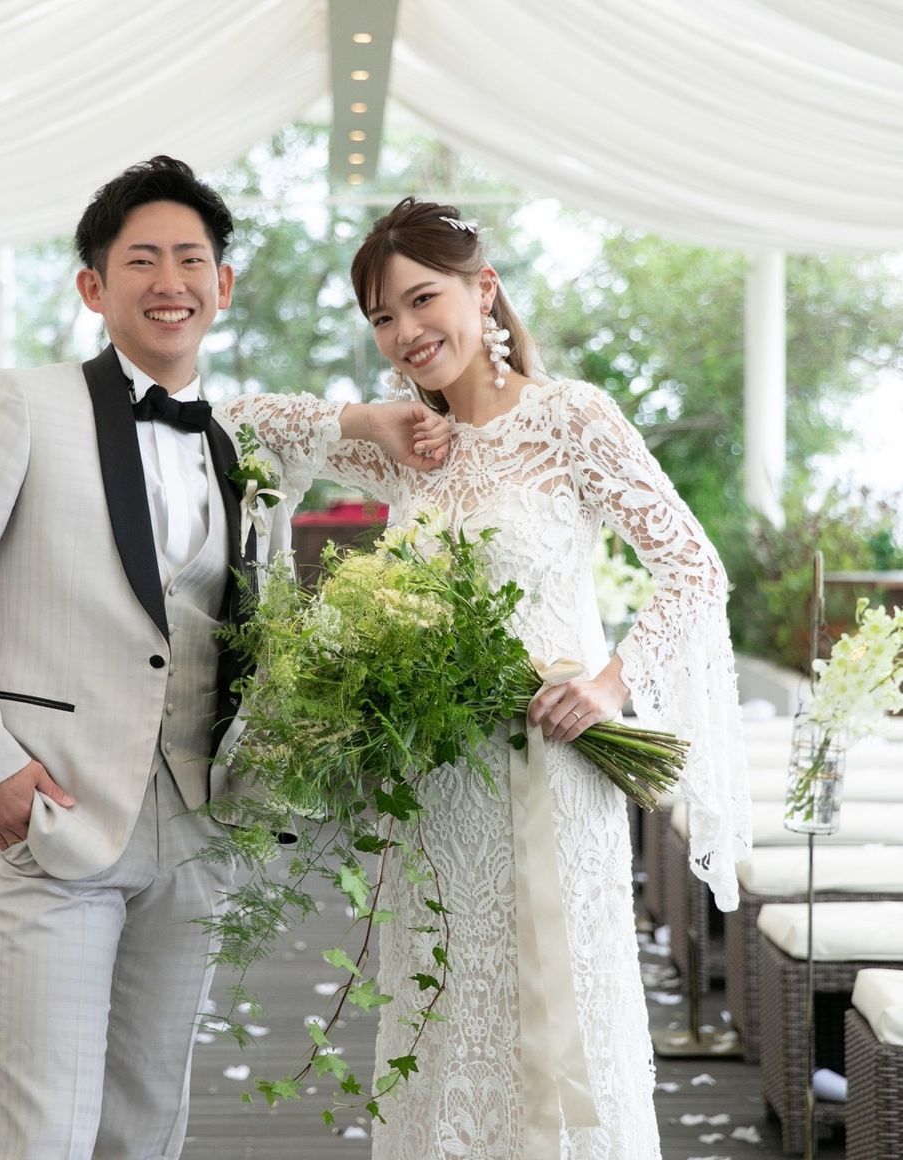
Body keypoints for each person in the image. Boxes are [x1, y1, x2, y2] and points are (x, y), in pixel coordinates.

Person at [0, 159, 451, 1160]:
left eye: (191, 259)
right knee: (41, 1124)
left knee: (148, 1119)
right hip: (53, 813)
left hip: (196, 824)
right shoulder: (21, 403)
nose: (169, 280)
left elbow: (256, 620)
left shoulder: (239, 442)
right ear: (92, 286)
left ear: (221, 285)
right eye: (140, 259)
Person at [219, 197, 751, 1158]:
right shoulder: (406, 446)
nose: (405, 332)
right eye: (382, 317)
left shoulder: (570, 417)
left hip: (555, 768)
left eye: (423, 300)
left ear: (484, 290)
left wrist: (610, 685)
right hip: (438, 793)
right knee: (445, 1011)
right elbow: (231, 425)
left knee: (562, 1006)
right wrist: (370, 419)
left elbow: (694, 568)